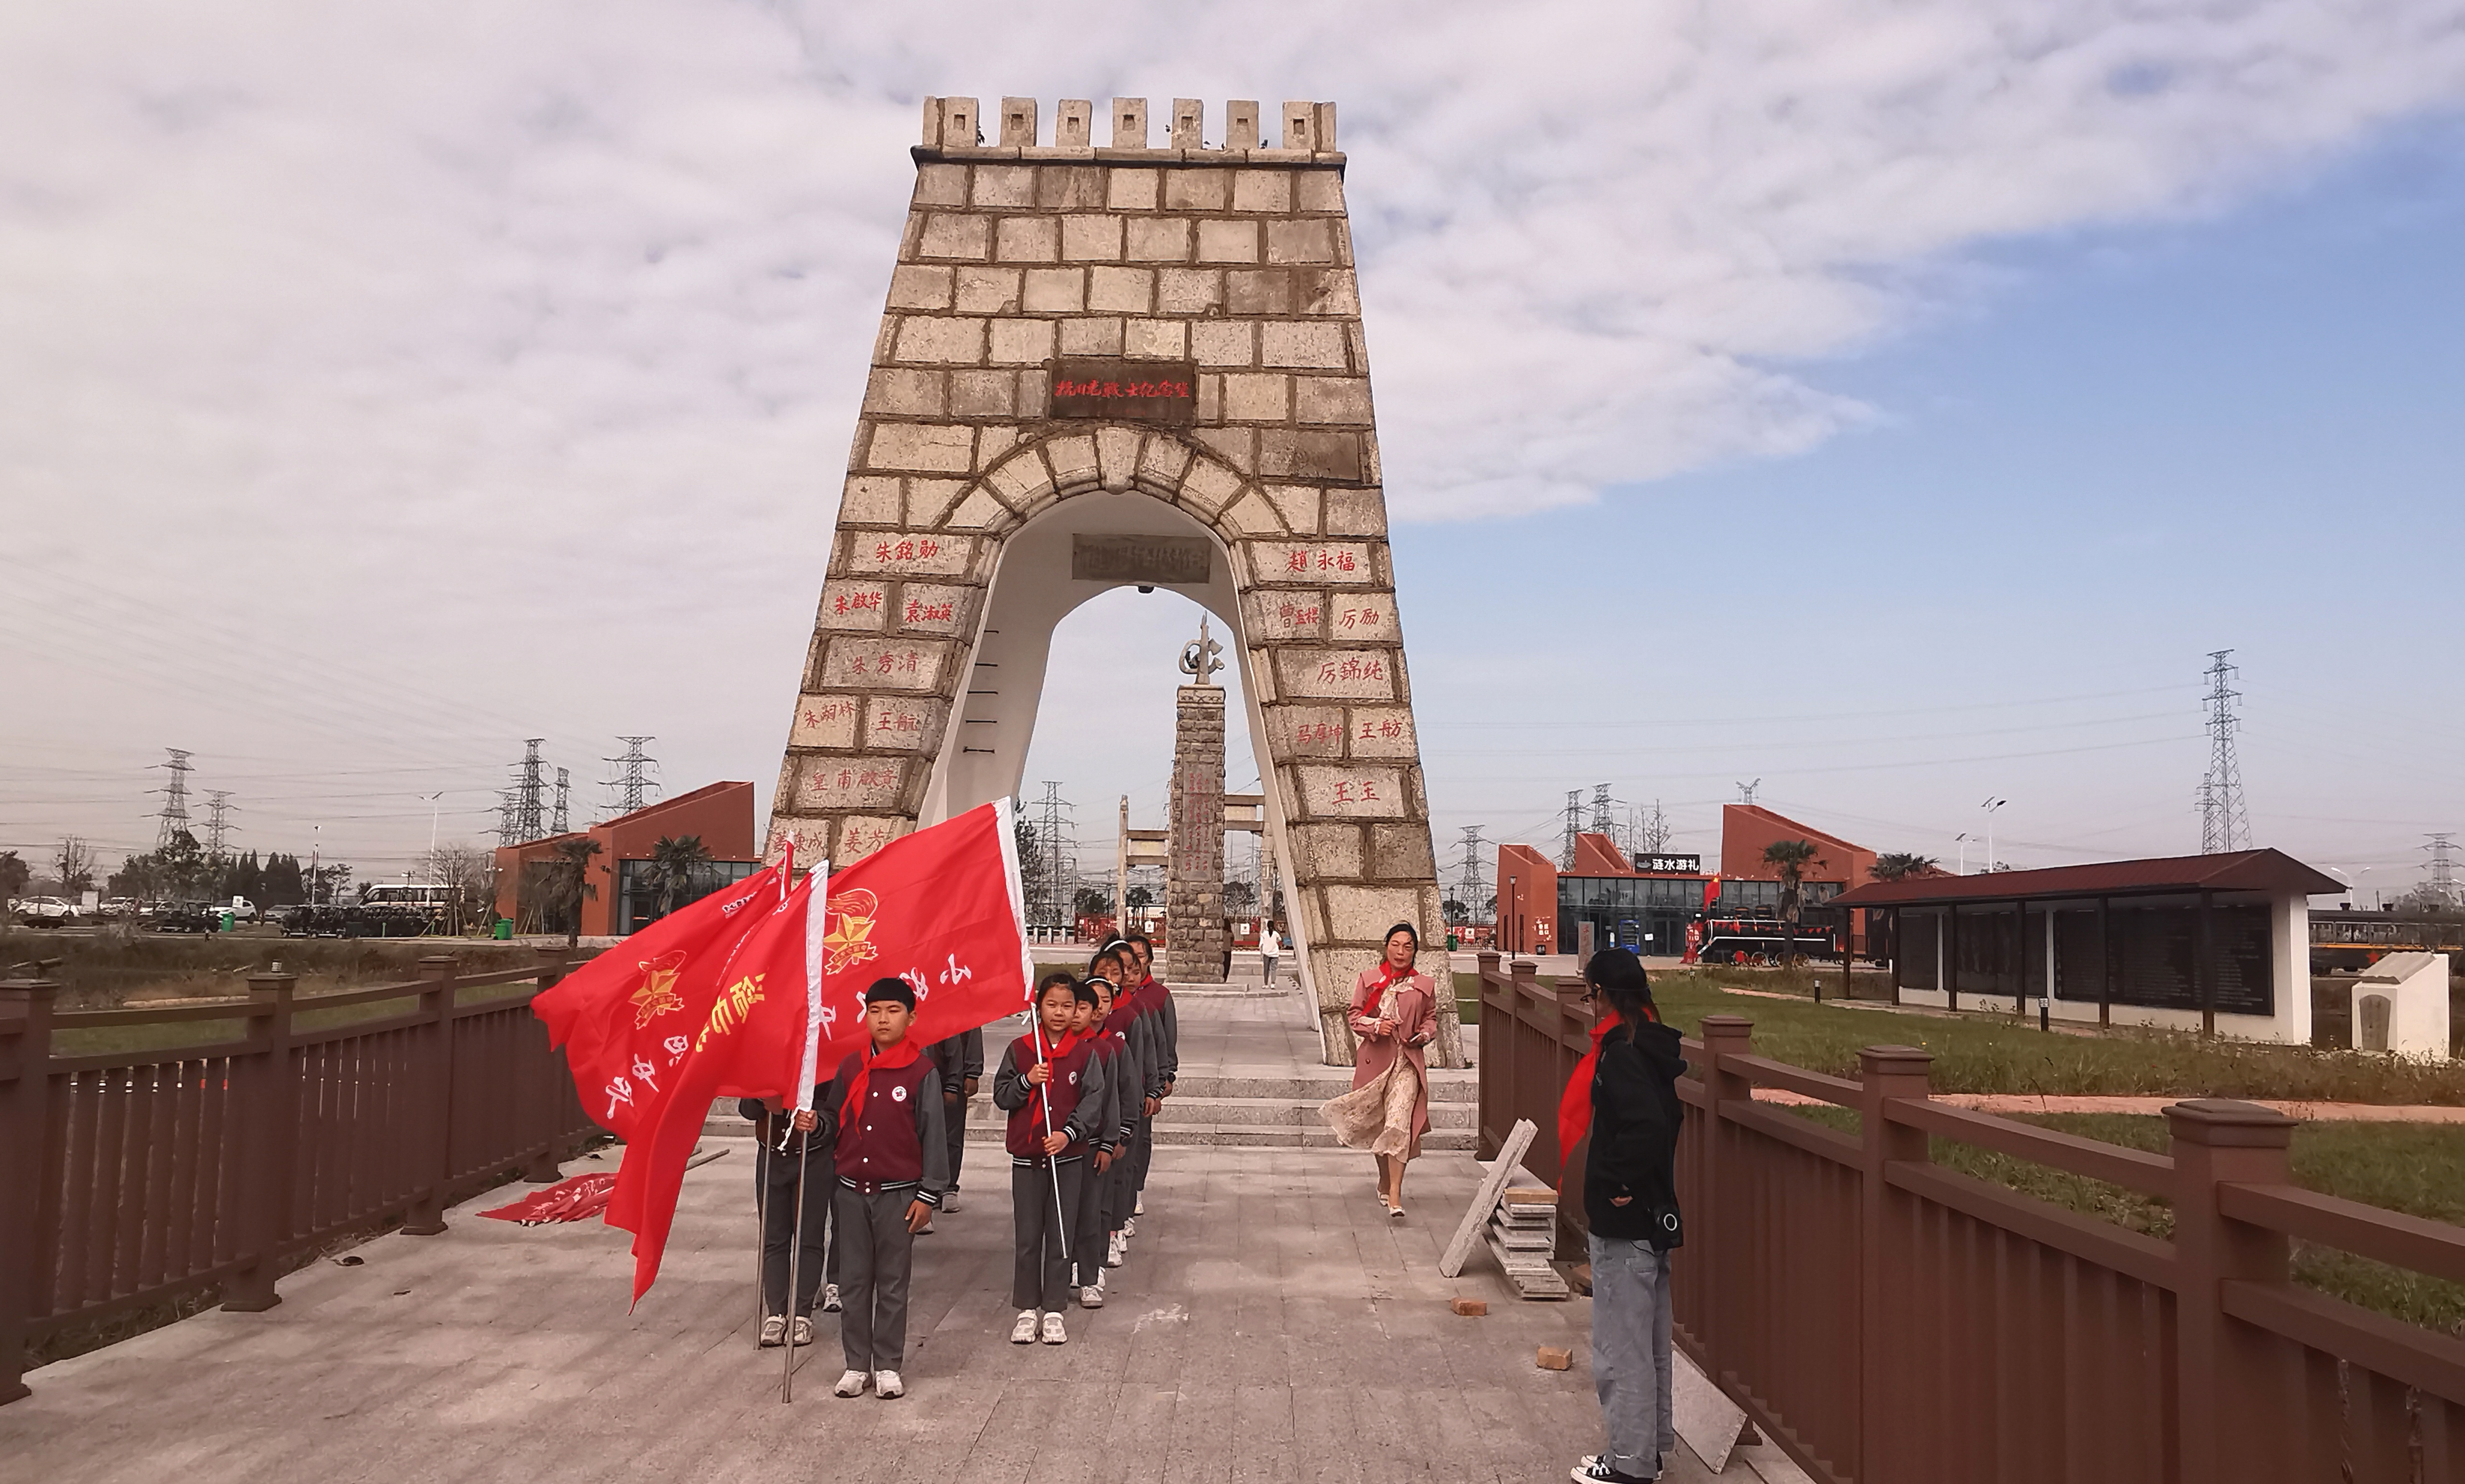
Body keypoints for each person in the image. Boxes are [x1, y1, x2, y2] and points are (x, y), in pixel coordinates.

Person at [1567, 948, 1686, 1484]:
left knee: (1621, 1348)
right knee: (1650, 1344)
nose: (1588, 1002)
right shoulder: (1653, 1047)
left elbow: (1646, 1128)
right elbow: (1667, 1122)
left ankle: (1629, 1463)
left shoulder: (1622, 1055)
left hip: (1625, 1225)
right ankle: (1648, 1450)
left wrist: (1616, 1182)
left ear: (1605, 995)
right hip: (1653, 1216)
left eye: (1589, 992)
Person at [821, 977, 948, 1401]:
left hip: (898, 1194)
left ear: (911, 1017)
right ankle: (857, 1363)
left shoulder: (921, 1072)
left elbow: (933, 1135)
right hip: (851, 1192)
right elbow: (834, 1120)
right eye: (875, 1011)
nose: (883, 1019)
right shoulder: (850, 1067)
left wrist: (929, 1194)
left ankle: (889, 1363)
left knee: (892, 1282)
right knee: (854, 1281)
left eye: (893, 1011)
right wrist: (814, 1123)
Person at [993, 973, 1108, 1344]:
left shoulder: (1084, 1053)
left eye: (1067, 1006)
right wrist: (1026, 1080)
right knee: (1028, 1237)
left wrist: (1068, 1134)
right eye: (1052, 1004)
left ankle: (1055, 1308)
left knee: (1060, 1233)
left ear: (1077, 1011)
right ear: (1038, 1007)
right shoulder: (1022, 1049)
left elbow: (1093, 1100)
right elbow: (1002, 1095)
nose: (1059, 1012)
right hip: (1028, 1161)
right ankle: (1027, 1309)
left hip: (1067, 1160)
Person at [1345, 922, 1437, 1217]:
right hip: (1376, 1064)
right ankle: (1384, 1179)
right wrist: (1376, 1026)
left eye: (1408, 946)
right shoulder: (1370, 980)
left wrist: (1424, 1034)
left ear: (1415, 951)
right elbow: (1354, 1016)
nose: (1401, 952)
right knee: (1380, 1126)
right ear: (1386, 947)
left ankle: (1396, 1191)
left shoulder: (1424, 985)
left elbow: (1431, 1018)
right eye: (1396, 945)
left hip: (1407, 1063)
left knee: (1399, 1123)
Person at [738, 1084, 834, 1347]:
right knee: (773, 1237)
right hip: (771, 1155)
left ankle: (802, 1313)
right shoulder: (764, 1068)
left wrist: (807, 1116)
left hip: (811, 1157)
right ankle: (776, 1313)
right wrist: (761, 1100)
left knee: (808, 1237)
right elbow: (746, 1109)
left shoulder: (821, 1068)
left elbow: (834, 1114)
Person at [1070, 974, 1123, 1307]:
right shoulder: (1043, 1052)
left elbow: (1113, 1100)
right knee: (1060, 1216)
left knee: (1090, 1214)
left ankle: (1090, 1276)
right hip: (1057, 1149)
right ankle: (1061, 1273)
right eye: (1068, 1007)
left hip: (1091, 1146)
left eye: (1082, 1008)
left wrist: (1109, 1141)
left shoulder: (1104, 1051)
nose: (1074, 1014)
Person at [919, 1026, 983, 1227]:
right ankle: (922, 1193)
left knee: (951, 1136)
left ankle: (949, 1188)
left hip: (951, 1075)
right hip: (917, 1077)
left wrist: (972, 1072)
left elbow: (971, 1030)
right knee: (919, 1138)